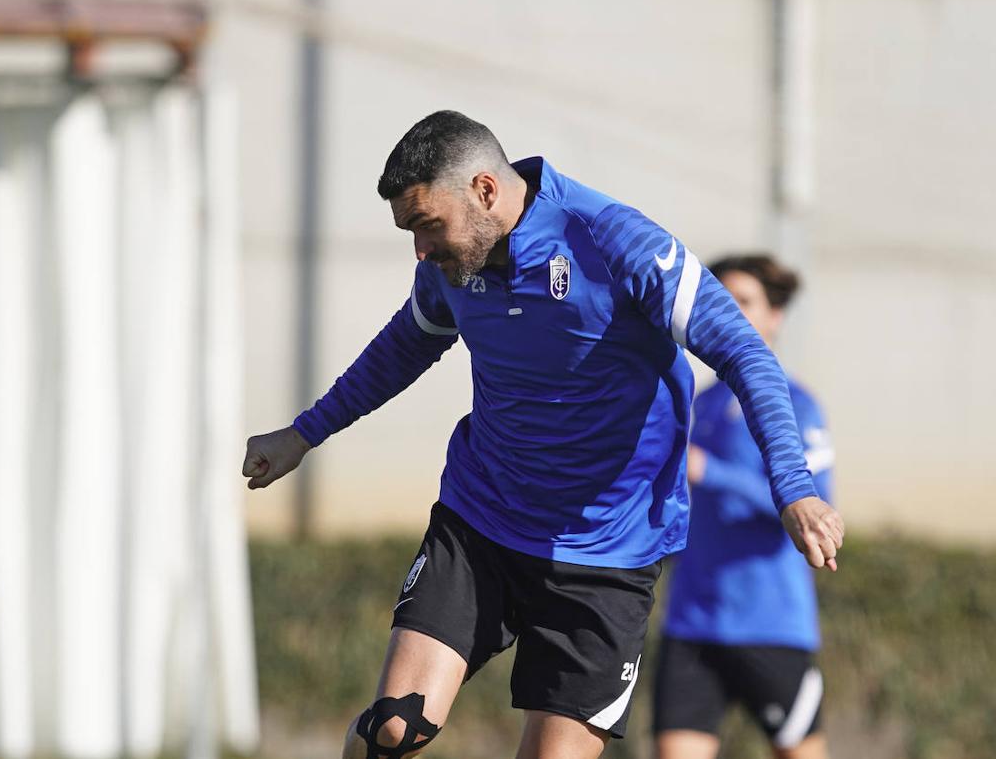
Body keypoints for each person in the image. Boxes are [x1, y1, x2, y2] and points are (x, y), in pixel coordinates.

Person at [241, 111, 844, 759]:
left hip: (608, 551)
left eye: (426, 225)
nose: (419, 250)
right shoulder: (449, 266)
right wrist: (305, 434)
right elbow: (403, 348)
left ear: (485, 191)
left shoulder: (614, 243)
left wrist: (794, 487)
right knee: (395, 726)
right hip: (482, 523)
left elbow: (746, 354)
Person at [653, 256, 835, 759]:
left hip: (769, 625)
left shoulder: (798, 405)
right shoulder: (699, 403)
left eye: (744, 302)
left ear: (775, 316)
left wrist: (712, 472)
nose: (728, 313)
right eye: (720, 301)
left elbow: (819, 509)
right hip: (691, 623)